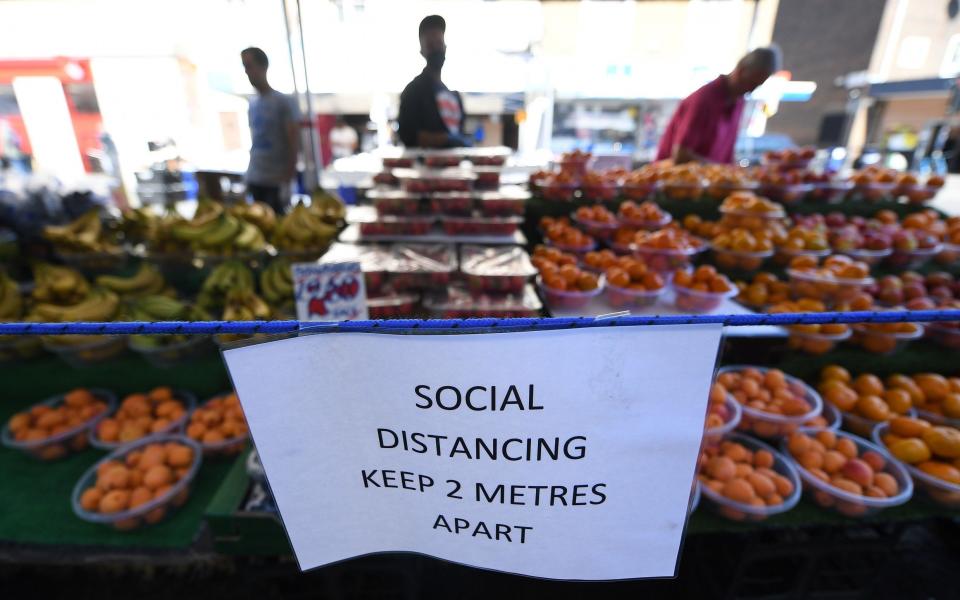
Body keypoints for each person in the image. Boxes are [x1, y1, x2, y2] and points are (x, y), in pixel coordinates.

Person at [656, 46, 781, 164]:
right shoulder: (703, 100)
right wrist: (719, 170)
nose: (752, 91)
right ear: (741, 71)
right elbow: (680, 156)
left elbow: (727, 155)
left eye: (757, 86)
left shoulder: (739, 101)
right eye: (752, 83)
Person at [241, 47, 300, 214]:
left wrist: (287, 180)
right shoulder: (252, 104)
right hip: (255, 177)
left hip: (276, 181)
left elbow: (294, 143)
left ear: (263, 66)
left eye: (249, 65)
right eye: (244, 66)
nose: (247, 72)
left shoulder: (284, 102)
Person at [397, 15, 469, 148]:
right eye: (430, 45)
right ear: (422, 52)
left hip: (454, 165)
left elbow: (461, 131)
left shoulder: (455, 96)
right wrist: (446, 139)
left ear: (445, 47)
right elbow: (407, 134)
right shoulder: (413, 91)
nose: (436, 49)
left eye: (439, 43)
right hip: (426, 167)